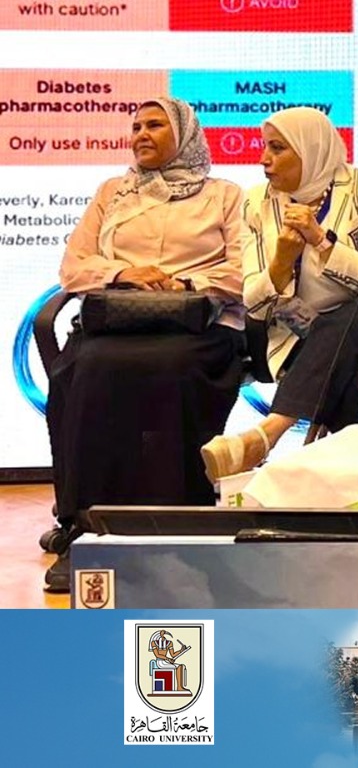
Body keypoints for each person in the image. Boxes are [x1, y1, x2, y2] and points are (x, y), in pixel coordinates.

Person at [48, 98, 244, 590]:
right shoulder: (112, 193)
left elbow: (247, 268)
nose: (141, 134)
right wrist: (123, 272)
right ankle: (86, 525)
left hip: (195, 326)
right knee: (89, 369)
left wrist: (187, 283)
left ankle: (175, 523)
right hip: (118, 321)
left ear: (186, 134)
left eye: (155, 124)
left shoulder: (224, 196)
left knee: (170, 369)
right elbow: (74, 267)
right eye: (135, 126)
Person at [201, 107, 358, 478]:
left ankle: (269, 432)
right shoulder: (256, 202)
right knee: (349, 369)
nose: (264, 158)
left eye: (278, 148)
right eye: (265, 146)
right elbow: (255, 303)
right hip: (305, 339)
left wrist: (321, 241)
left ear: (310, 149)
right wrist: (280, 263)